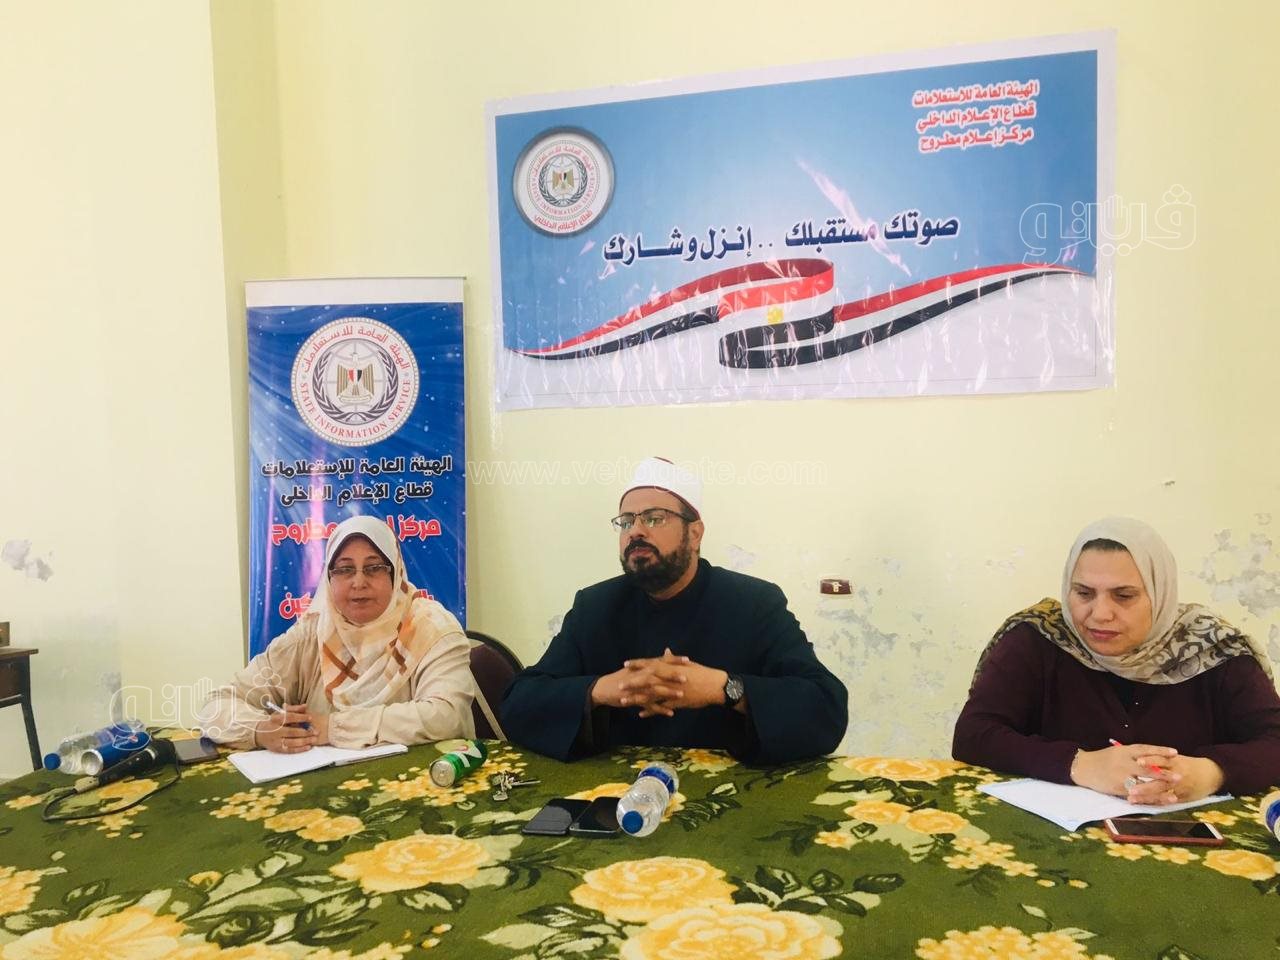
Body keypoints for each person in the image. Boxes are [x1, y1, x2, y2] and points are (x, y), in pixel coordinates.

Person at [500, 457, 848, 764]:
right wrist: (601, 689)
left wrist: (723, 688)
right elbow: (518, 704)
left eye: (654, 518)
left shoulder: (755, 603)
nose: (635, 531)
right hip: (617, 793)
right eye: (626, 521)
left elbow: (826, 708)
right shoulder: (595, 606)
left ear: (694, 534)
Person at [953, 517, 1280, 802]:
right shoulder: (1040, 637)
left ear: (1160, 593)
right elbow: (974, 734)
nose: (1100, 614)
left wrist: (1210, 772)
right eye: (1083, 593)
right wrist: (1080, 764)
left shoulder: (1212, 649)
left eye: (1123, 596)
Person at [202, 515, 475, 752]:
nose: (359, 582)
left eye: (374, 568)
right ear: (329, 578)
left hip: (421, 784)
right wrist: (260, 729)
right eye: (345, 569)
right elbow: (216, 704)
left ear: (396, 574)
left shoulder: (431, 629)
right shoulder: (312, 635)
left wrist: (334, 728)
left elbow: (448, 717)